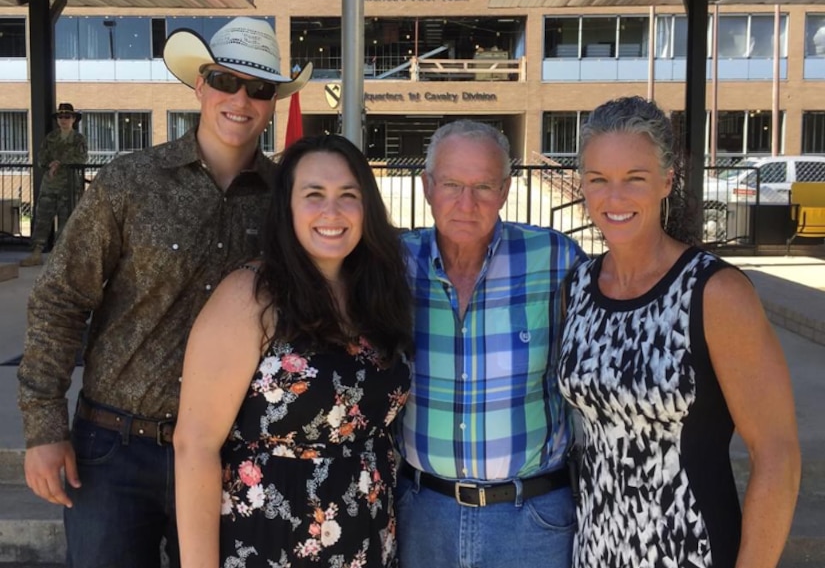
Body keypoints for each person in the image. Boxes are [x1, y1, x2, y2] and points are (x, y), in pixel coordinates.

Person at [17, 17, 311, 567]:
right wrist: (43, 427)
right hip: (113, 448)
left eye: (260, 88)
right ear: (200, 84)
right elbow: (61, 299)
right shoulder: (131, 181)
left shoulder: (287, 204)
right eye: (226, 80)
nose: (240, 99)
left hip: (233, 453)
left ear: (273, 103)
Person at [558, 96, 801, 568]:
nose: (615, 198)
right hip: (594, 551)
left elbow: (778, 455)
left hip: (690, 550)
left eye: (635, 178)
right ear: (583, 187)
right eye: (598, 180)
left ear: (667, 181)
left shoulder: (715, 292)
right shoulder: (579, 288)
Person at [173, 133, 414, 567]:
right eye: (313, 194)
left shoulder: (375, 295)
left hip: (368, 539)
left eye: (348, 195)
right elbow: (195, 446)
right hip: (271, 544)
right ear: (287, 206)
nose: (332, 211)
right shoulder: (251, 295)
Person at [395, 119, 586, 568]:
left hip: (531, 520)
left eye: (483, 186)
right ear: (427, 187)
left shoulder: (555, 259)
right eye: (452, 184)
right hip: (423, 513)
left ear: (504, 190)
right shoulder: (394, 265)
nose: (466, 203)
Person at [19, 102, 88, 267]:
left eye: (67, 117)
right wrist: (51, 163)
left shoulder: (78, 139)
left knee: (67, 221)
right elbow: (41, 158)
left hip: (69, 186)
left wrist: (60, 162)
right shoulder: (50, 138)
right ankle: (36, 253)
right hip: (50, 185)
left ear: (73, 119)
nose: (63, 120)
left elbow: (81, 158)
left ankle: (60, 256)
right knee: (42, 218)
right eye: (60, 117)